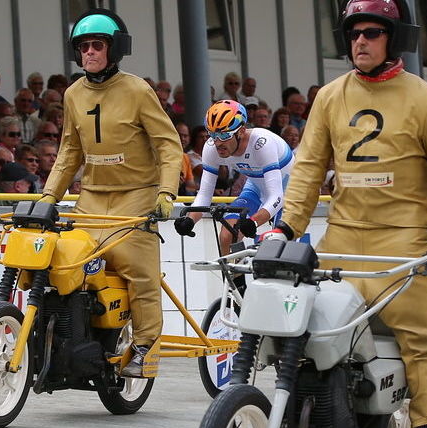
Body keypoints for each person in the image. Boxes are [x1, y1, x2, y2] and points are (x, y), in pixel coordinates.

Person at [269, 1, 427, 428]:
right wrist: (285, 227)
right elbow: (308, 169)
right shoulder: (330, 95)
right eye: (355, 33)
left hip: (406, 241)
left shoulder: (426, 99)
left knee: (425, 340)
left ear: (392, 39)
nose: (361, 40)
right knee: (308, 333)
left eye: (373, 32)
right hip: (341, 238)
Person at [39, 8, 183, 378]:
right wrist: (46, 197)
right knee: (68, 267)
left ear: (114, 48)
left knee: (140, 273)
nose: (89, 52)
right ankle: (74, 343)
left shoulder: (138, 90)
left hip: (137, 194)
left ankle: (145, 351)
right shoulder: (73, 94)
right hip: (92, 197)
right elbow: (69, 152)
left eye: (97, 45)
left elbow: (169, 146)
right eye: (84, 46)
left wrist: (166, 192)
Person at [173, 100, 295, 254]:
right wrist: (189, 220)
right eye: (212, 134)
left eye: (224, 135)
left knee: (278, 251)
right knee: (227, 235)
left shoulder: (262, 143)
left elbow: (277, 196)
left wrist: (253, 222)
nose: (217, 142)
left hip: (288, 191)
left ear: (241, 131)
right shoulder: (211, 147)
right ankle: (233, 277)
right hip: (256, 186)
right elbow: (204, 194)